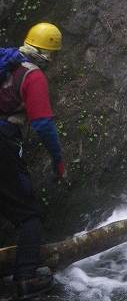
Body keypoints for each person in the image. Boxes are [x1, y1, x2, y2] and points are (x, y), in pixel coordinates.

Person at [0, 23, 65, 299]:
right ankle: (26, 278)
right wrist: (58, 159)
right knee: (29, 215)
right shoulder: (32, 75)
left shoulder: (5, 61)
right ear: (50, 53)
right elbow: (42, 124)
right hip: (3, 141)